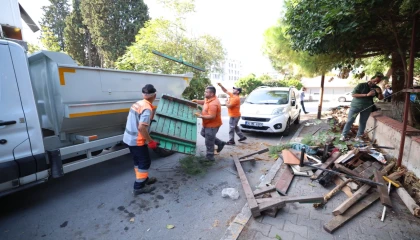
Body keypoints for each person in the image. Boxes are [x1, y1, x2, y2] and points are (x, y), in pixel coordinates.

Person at [123, 84, 159, 195]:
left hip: (129, 139)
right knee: (145, 162)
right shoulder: (146, 108)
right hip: (137, 141)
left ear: (143, 95)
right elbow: (141, 127)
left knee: (138, 162)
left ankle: (144, 179)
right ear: (155, 95)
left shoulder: (138, 103)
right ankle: (138, 187)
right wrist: (150, 141)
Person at [340, 73, 384, 141]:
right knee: (349, 121)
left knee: (363, 122)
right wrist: (366, 95)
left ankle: (359, 137)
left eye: (378, 82)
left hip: (367, 107)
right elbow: (354, 94)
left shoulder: (377, 88)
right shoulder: (361, 85)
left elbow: (380, 98)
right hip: (355, 106)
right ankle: (343, 135)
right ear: (371, 79)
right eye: (375, 80)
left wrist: (380, 93)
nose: (375, 82)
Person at [192, 86, 225, 161]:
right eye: (205, 91)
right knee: (203, 133)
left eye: (206, 92)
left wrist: (201, 116)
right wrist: (197, 101)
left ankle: (210, 158)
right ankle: (220, 143)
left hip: (212, 125)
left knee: (209, 141)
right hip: (207, 124)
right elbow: (204, 102)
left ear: (212, 93)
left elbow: (212, 116)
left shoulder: (213, 103)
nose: (205, 93)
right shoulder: (209, 99)